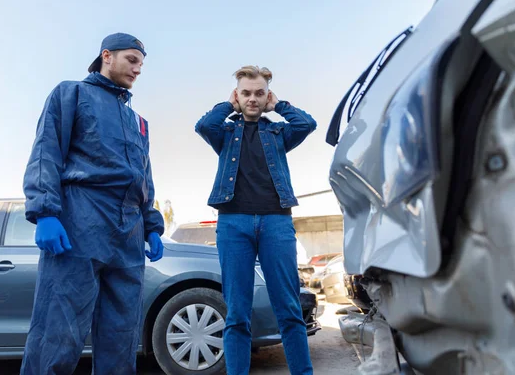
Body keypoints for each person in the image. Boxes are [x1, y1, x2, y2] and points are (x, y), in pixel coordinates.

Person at [20, 33, 165, 375]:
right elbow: (46, 152)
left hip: (129, 231)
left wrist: (153, 225)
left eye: (141, 64)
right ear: (107, 55)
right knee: (58, 331)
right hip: (80, 221)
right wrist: (45, 212)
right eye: (132, 59)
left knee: (122, 335)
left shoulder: (137, 122)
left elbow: (143, 176)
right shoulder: (71, 93)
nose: (138, 69)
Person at [195, 65, 317, 375]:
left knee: (289, 309)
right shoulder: (225, 133)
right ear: (237, 95)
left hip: (276, 223)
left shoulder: (277, 132)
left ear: (267, 96)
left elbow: (307, 123)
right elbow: (203, 124)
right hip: (233, 224)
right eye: (246, 93)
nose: (253, 99)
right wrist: (228, 106)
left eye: (259, 93)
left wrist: (280, 106)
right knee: (237, 313)